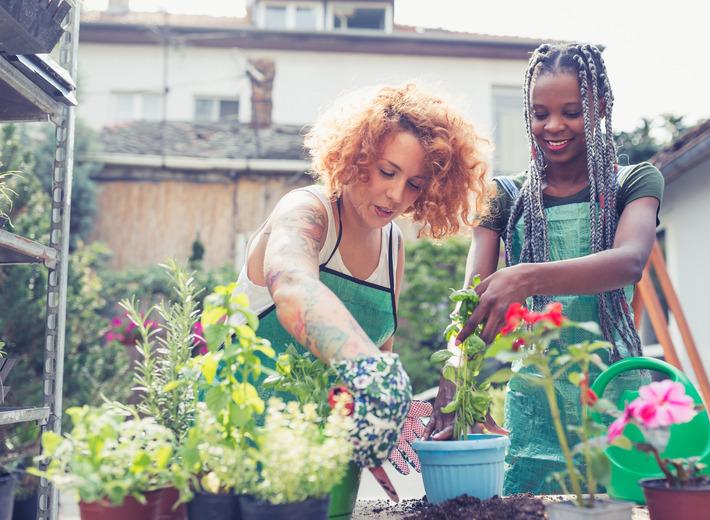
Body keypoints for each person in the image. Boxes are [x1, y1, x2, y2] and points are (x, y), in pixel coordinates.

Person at [424, 43, 665, 494]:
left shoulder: (633, 182)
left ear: (599, 108)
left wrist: (527, 275)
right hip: (536, 404)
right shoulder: (505, 196)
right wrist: (455, 380)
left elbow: (629, 262)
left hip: (615, 392)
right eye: (540, 113)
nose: (553, 126)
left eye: (571, 111)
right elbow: (471, 303)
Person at [232, 83, 490, 468]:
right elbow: (292, 286)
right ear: (358, 154)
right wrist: (371, 370)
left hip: (324, 465)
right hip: (241, 451)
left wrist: (388, 417)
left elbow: (378, 356)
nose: (395, 195)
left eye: (414, 184)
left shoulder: (392, 247)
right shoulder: (307, 210)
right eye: (388, 172)